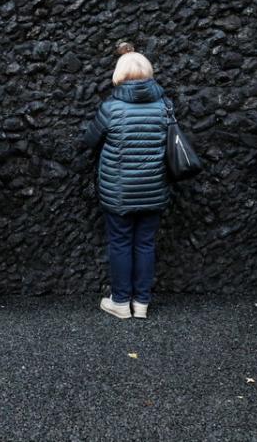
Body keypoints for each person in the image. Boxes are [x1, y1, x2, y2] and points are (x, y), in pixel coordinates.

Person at [82, 49, 169, 320]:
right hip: (154, 188)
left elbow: (89, 141)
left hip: (118, 191)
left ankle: (120, 301)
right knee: (145, 244)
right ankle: (141, 302)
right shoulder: (165, 105)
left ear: (119, 74)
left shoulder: (111, 108)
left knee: (120, 243)